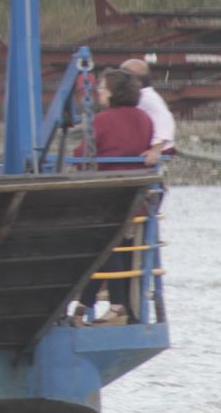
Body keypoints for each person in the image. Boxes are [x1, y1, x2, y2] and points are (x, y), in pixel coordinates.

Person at [74, 69, 154, 326]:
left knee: (103, 245)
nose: (98, 92)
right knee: (116, 249)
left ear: (113, 92)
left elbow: (80, 154)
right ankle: (86, 306)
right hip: (137, 201)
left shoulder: (103, 120)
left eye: (102, 88)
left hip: (108, 201)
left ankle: (115, 305)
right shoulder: (144, 119)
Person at [120, 58, 175, 164]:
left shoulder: (146, 98)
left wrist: (156, 150)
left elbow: (164, 121)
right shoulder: (142, 96)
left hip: (158, 149)